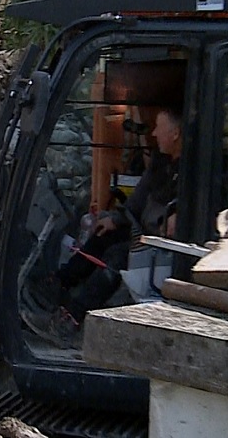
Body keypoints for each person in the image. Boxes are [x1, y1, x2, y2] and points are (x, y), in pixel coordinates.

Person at [53, 108, 182, 329]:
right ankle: (59, 283)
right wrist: (115, 218)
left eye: (159, 128)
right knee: (104, 233)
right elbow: (139, 196)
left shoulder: (192, 171)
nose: (153, 134)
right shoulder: (162, 163)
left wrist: (180, 213)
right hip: (143, 232)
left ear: (176, 133)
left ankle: (73, 316)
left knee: (116, 257)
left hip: (163, 246)